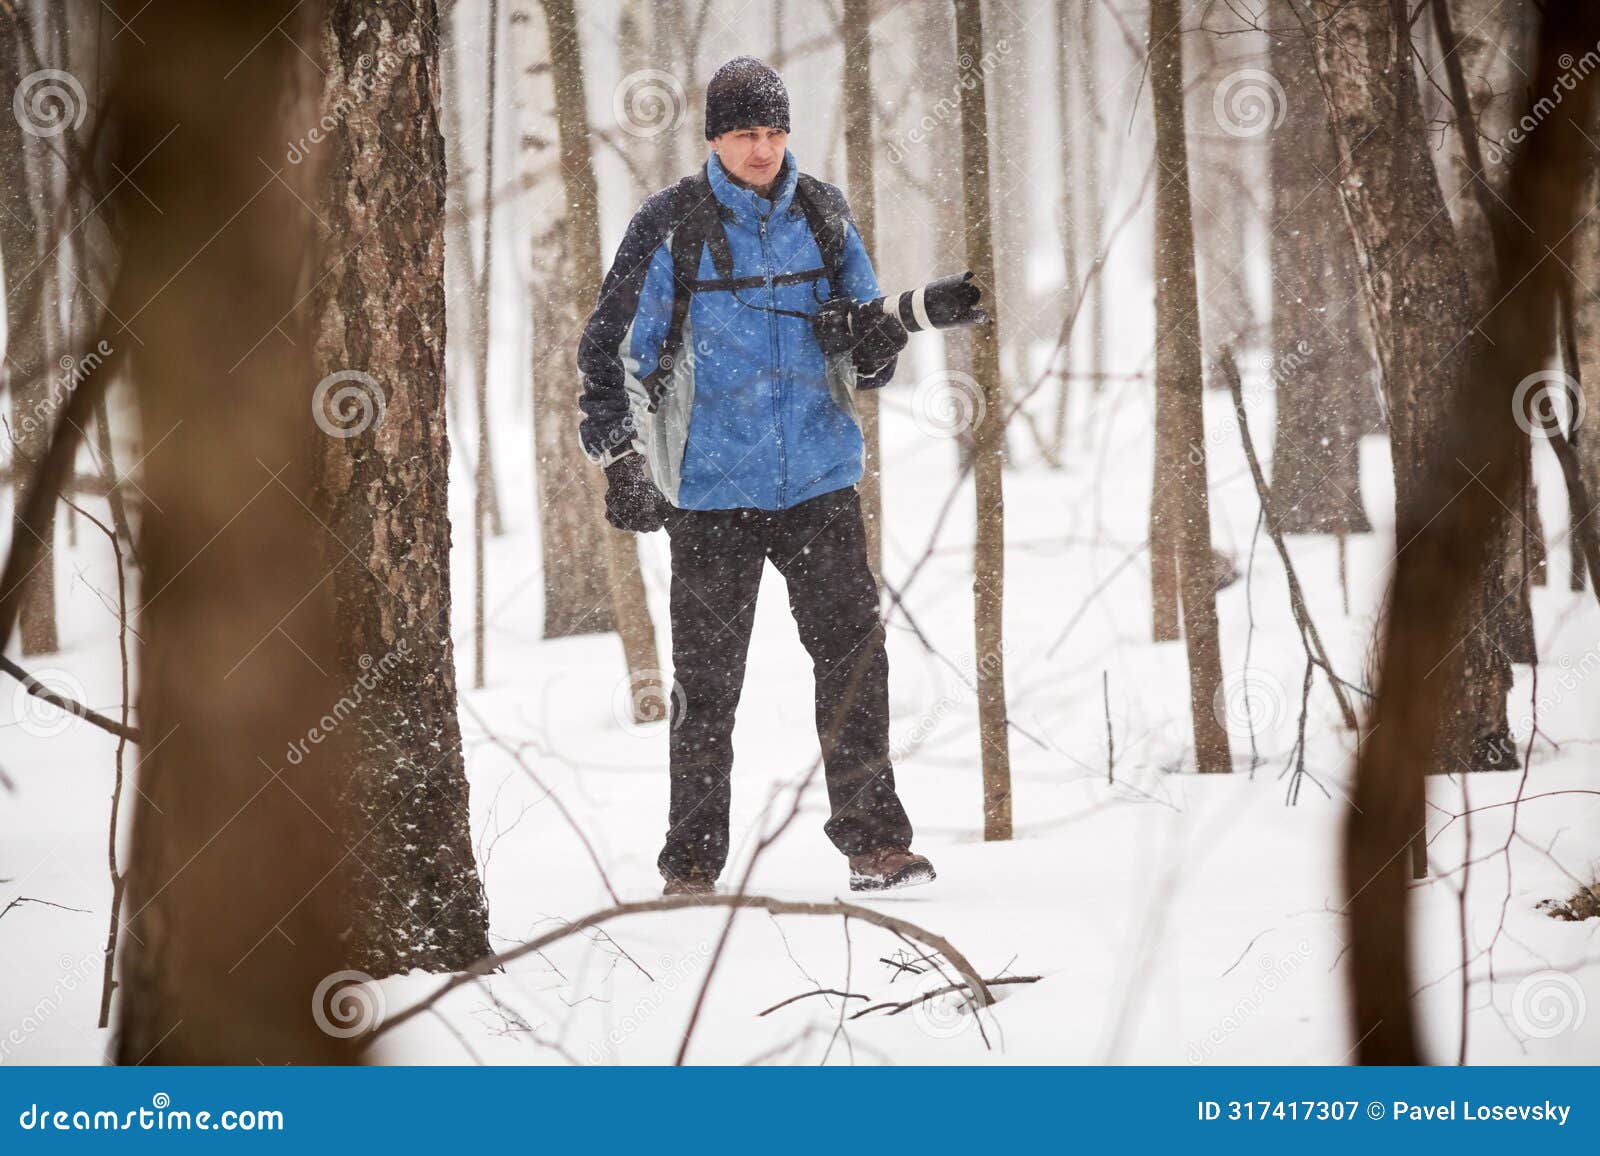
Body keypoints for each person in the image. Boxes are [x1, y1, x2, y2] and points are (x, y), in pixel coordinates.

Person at [577, 56, 935, 897]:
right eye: (746, 134)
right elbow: (606, 347)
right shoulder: (671, 224)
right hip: (709, 493)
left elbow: (864, 341)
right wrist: (623, 457)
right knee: (707, 687)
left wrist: (878, 349)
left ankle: (876, 844)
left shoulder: (823, 213)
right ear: (713, 137)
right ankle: (692, 866)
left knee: (855, 663)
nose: (764, 149)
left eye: (775, 132)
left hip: (818, 480)